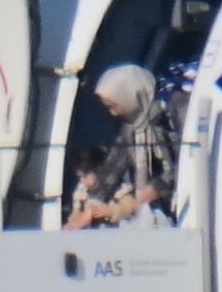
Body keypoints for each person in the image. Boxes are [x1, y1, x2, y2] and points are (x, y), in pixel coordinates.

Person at [65, 64, 178, 231]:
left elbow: (187, 161)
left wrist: (157, 186)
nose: (113, 114)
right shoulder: (131, 128)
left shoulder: (170, 114)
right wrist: (90, 210)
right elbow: (111, 171)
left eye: (114, 106)